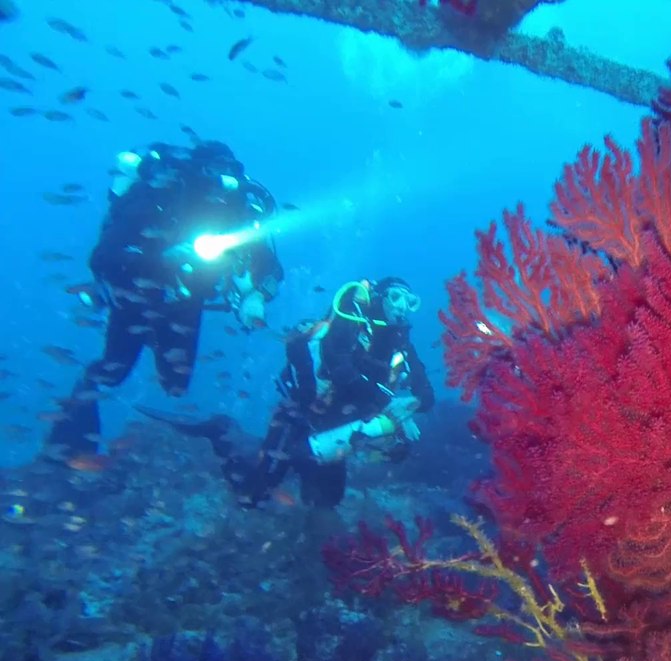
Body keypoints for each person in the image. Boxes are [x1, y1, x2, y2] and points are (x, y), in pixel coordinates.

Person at [46, 140, 283, 463]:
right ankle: (70, 442)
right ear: (196, 171)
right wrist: (161, 260)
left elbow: (269, 267)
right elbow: (102, 257)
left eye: (228, 173)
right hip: (135, 298)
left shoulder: (236, 208)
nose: (220, 181)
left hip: (187, 303)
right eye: (214, 171)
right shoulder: (157, 195)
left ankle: (196, 436)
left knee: (176, 385)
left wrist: (255, 297)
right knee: (112, 371)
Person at [140, 277, 434, 509]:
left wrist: (411, 404)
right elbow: (338, 366)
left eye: (410, 301)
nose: (403, 306)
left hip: (338, 428)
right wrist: (388, 404)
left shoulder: (401, 344)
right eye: (395, 297)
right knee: (252, 494)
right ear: (379, 299)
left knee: (325, 501)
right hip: (301, 413)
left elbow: (427, 394)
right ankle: (221, 429)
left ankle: (288, 471)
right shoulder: (350, 323)